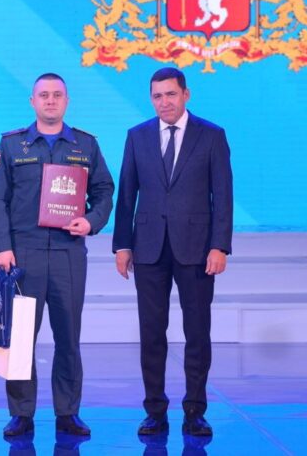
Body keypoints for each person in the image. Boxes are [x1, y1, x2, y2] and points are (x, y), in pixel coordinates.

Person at [0, 73, 114, 438]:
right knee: (21, 338)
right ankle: (21, 413)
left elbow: (104, 190)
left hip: (68, 254)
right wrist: (1, 246)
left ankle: (68, 412)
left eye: (57, 95)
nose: (51, 100)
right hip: (23, 255)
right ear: (33, 101)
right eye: (44, 95)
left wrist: (91, 221)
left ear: (67, 101)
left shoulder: (85, 144)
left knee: (68, 337)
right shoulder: (12, 145)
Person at [112, 67, 233, 437]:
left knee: (197, 332)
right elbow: (127, 194)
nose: (164, 102)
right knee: (151, 332)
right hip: (148, 249)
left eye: (170, 94)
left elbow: (223, 195)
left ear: (186, 95)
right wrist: (122, 245)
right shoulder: (137, 136)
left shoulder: (211, 135)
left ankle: (195, 410)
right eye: (157, 96)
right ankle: (155, 410)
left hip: (196, 249)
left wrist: (219, 245)